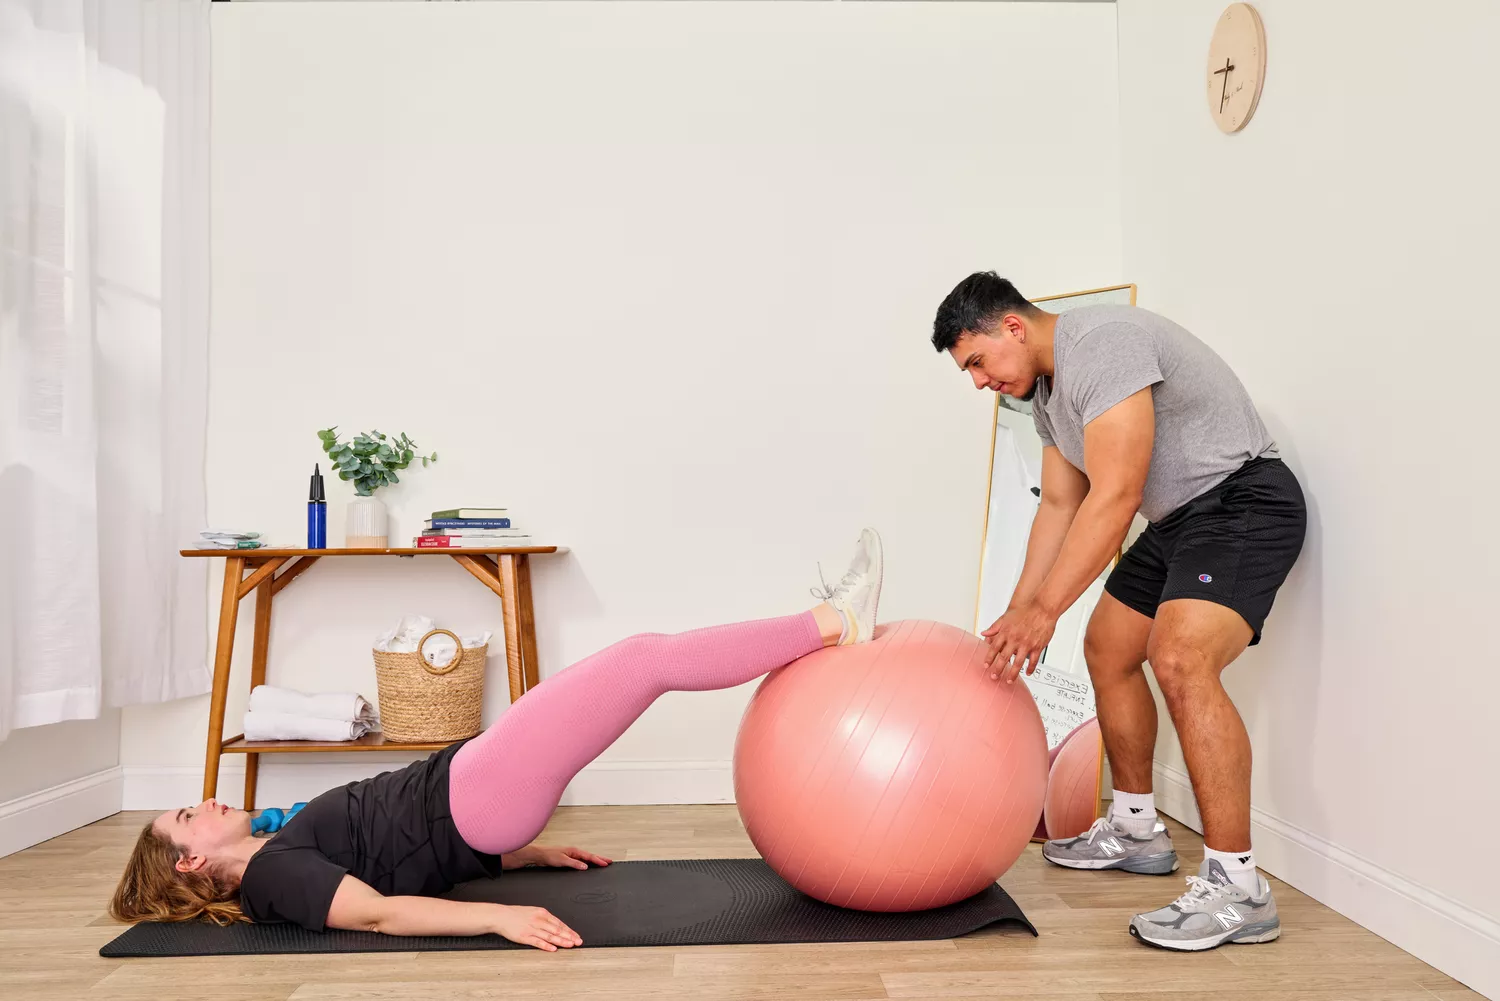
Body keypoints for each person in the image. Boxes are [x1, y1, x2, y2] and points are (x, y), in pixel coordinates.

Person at [110, 530, 886, 950]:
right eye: (188, 814)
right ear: (191, 859)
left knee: (643, 660)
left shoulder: (281, 852)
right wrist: (498, 916)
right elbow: (380, 910)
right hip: (471, 794)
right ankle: (830, 622)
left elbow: (394, 849)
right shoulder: (275, 878)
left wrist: (519, 857)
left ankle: (823, 621)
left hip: (473, 797)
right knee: (647, 659)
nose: (205, 801)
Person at [931, 272, 1305, 952]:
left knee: (1181, 656)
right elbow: (1060, 503)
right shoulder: (1045, 395)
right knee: (1108, 648)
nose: (979, 382)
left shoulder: (1101, 344)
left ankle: (1239, 886)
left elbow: (1118, 491)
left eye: (978, 361)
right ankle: (1135, 828)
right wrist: (1018, 614)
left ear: (1012, 326)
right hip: (1180, 521)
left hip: (1241, 501)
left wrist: (1046, 611)